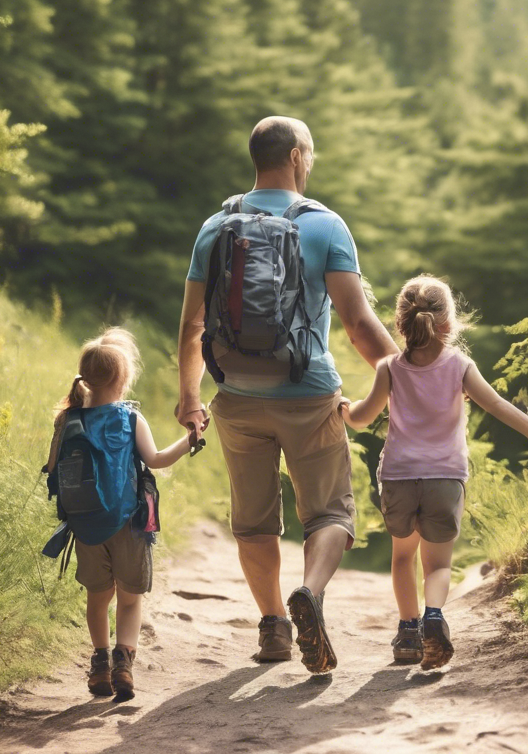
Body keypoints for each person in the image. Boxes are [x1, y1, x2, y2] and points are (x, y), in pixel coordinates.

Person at [175, 116, 398, 674]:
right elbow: (357, 323)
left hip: (236, 400)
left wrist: (189, 398)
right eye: (312, 152)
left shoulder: (215, 226)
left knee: (253, 522)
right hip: (309, 395)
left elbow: (191, 326)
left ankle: (273, 624)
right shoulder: (324, 225)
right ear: (296, 156)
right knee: (329, 513)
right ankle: (311, 594)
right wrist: (409, 376)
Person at [340, 276, 528, 670]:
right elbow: (496, 405)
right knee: (439, 565)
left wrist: (344, 407)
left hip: (398, 476)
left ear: (399, 323)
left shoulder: (389, 368)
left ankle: (408, 633)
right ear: (450, 323)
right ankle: (433, 617)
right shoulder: (460, 366)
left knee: (402, 559)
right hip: (445, 479)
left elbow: (361, 420)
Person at [49, 327, 195, 702]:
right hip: (129, 523)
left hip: (85, 526)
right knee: (130, 600)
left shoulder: (67, 421)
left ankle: (99, 664)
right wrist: (190, 440)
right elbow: (157, 460)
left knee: (98, 598)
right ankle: (124, 664)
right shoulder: (130, 420)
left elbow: (52, 468)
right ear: (124, 377)